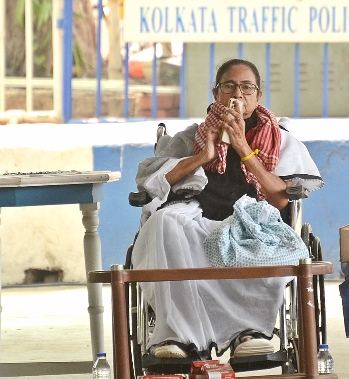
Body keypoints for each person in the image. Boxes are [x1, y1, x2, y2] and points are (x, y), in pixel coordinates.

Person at [132, 58, 324, 360]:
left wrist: (243, 149)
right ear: (215, 93)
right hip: (198, 217)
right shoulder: (191, 137)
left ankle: (249, 331)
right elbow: (153, 183)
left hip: (253, 220)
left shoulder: (280, 140)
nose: (238, 94)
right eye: (229, 86)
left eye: (247, 87)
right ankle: (178, 335)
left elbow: (281, 199)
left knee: (261, 240)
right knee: (163, 223)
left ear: (257, 96)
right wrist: (203, 155)